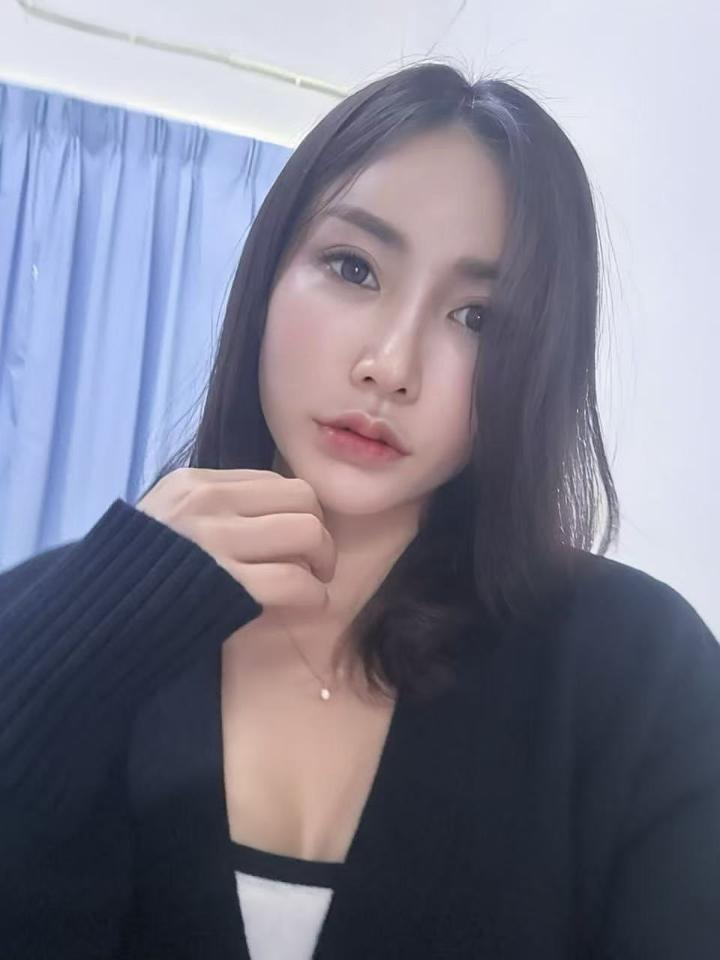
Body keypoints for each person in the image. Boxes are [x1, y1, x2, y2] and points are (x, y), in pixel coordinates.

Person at [0, 60, 718, 960]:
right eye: (353, 267)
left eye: (479, 319)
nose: (391, 365)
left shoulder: (640, 671)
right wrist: (72, 656)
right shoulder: (48, 616)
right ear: (268, 274)